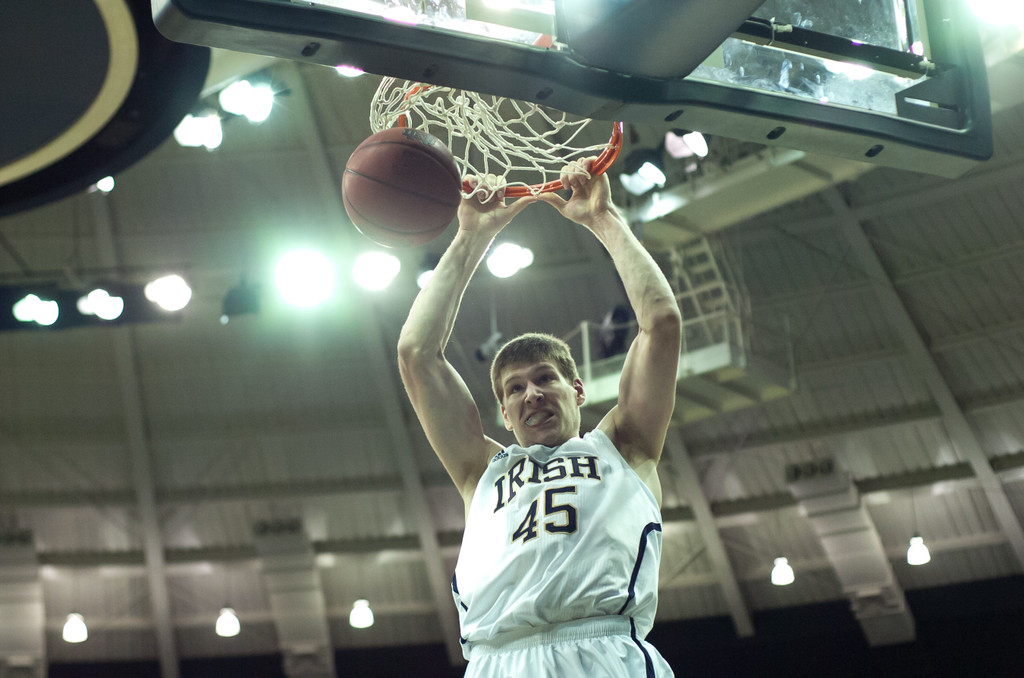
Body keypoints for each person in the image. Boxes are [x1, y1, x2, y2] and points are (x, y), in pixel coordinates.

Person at [397, 158, 681, 677]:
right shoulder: (482, 472)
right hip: (496, 661)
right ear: (503, 414)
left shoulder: (623, 445)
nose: (532, 394)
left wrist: (604, 219)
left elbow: (660, 323)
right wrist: (470, 236)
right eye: (515, 388)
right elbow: (417, 353)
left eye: (545, 379)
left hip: (603, 649)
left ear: (576, 389)